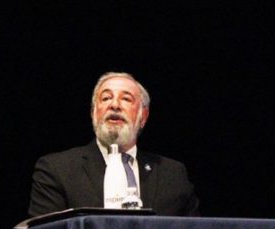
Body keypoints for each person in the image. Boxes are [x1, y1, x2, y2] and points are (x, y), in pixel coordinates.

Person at [29, 72, 199, 217]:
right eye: (106, 98)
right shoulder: (57, 169)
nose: (115, 105)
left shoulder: (173, 175)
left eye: (126, 99)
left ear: (143, 117)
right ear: (94, 112)